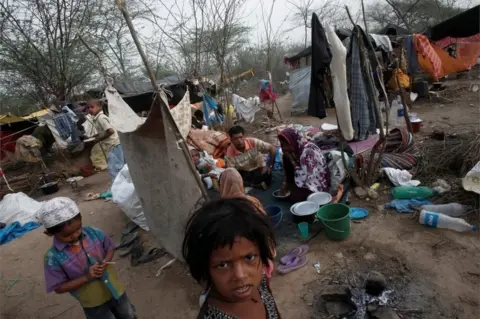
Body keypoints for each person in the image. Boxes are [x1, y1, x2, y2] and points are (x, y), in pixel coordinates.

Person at [38, 197, 136, 319]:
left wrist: (105, 261)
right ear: (49, 233)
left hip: (116, 290)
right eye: (67, 235)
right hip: (93, 303)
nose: (75, 236)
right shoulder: (53, 258)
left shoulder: (93, 233)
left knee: (128, 314)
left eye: (78, 229)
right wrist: (86, 277)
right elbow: (58, 287)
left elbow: (110, 247)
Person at [182, 198, 281, 319]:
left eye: (249, 257)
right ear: (206, 269)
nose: (240, 275)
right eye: (223, 265)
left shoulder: (261, 283)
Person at [278, 128, 330, 202]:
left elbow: (306, 176)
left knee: (295, 197)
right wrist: (286, 181)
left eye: (285, 144)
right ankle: (291, 183)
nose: (283, 148)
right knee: (285, 157)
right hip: (301, 173)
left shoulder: (309, 152)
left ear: (293, 141)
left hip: (314, 179)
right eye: (282, 144)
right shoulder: (296, 147)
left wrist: (293, 161)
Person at [88, 100, 125, 181]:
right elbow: (105, 131)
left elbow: (110, 131)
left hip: (113, 145)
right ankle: (121, 185)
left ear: (99, 107)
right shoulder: (97, 118)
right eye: (88, 108)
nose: (90, 109)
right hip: (114, 145)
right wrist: (96, 135)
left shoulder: (101, 118)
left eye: (92, 107)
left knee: (114, 169)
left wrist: (98, 139)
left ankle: (119, 187)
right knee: (118, 167)